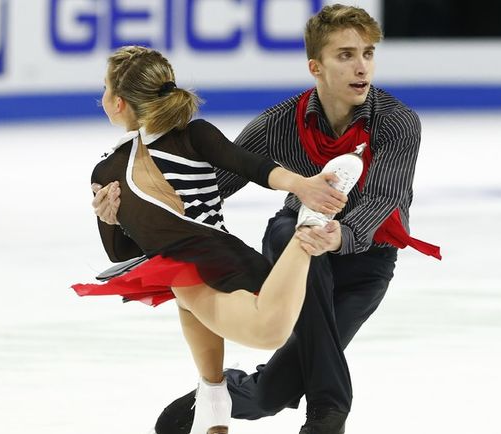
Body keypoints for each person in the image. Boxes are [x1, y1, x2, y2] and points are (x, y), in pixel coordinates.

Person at [94, 5, 441, 434]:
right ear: (315, 65)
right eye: (346, 55)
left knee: (270, 395)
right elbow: (213, 182)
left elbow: (384, 199)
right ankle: (327, 418)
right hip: (298, 248)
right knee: (290, 233)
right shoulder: (280, 123)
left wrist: (339, 236)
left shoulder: (397, 122)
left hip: (365, 258)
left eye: (368, 54)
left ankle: (221, 395)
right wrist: (132, 204)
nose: (361, 66)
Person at [73, 45, 352, 434]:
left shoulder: (191, 136)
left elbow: (250, 165)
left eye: (104, 87)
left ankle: (307, 229)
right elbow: (126, 251)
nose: (101, 96)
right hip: (186, 265)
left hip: (214, 257)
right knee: (220, 366)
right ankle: (213, 409)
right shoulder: (107, 169)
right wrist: (109, 218)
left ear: (118, 102)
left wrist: (303, 187)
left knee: (270, 331)